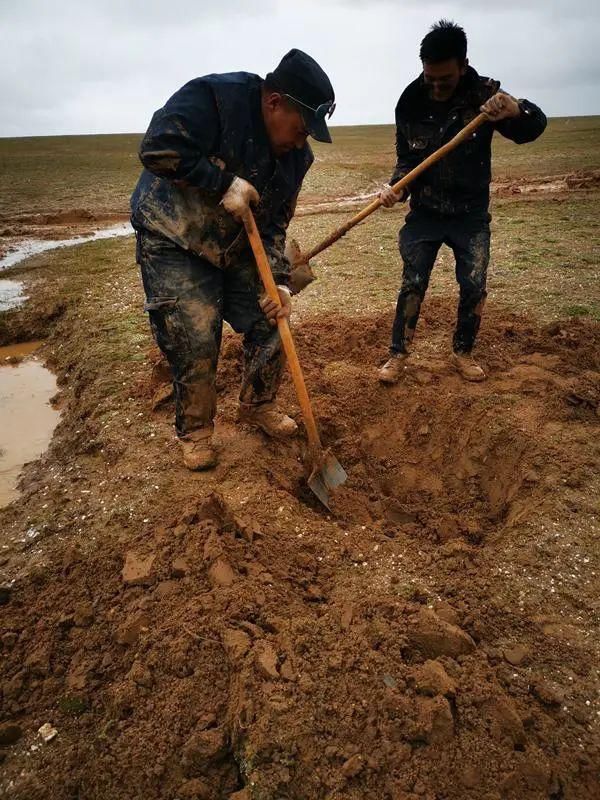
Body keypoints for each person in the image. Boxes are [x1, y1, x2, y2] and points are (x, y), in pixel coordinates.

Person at [131, 50, 335, 469]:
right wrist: (222, 182)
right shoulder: (214, 97)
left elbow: (276, 222)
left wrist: (278, 282)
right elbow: (156, 148)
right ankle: (196, 432)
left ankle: (257, 403)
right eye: (300, 129)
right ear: (274, 102)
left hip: (235, 243)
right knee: (195, 330)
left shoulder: (298, 157)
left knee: (273, 315)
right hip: (175, 235)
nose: (301, 141)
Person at [378, 20, 546, 384]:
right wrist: (398, 189)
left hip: (470, 214)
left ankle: (463, 352)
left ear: (464, 65)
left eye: (446, 79)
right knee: (413, 281)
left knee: (473, 284)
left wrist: (516, 110)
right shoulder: (409, 101)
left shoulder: (485, 97)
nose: (436, 87)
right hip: (425, 212)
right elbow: (407, 161)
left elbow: (532, 128)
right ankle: (397, 355)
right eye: (430, 78)